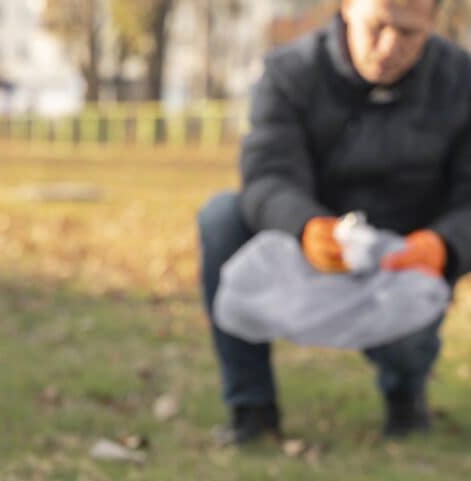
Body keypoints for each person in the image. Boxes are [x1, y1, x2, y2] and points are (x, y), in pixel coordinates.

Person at [198, 0, 471, 443]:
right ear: (347, 7)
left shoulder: (461, 80)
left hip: (404, 256)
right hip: (312, 243)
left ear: (432, 22)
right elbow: (268, 173)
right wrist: (305, 226)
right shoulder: (290, 70)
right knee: (222, 217)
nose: (388, 48)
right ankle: (251, 409)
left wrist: (445, 245)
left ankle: (405, 396)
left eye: (408, 34)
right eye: (377, 27)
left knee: (410, 332)